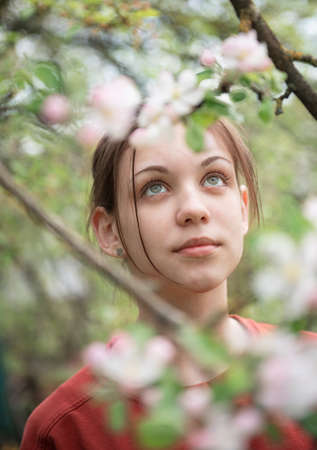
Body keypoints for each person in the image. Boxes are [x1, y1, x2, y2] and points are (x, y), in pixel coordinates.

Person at [20, 115, 316, 449]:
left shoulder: (309, 368)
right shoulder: (66, 428)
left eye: (214, 178)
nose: (194, 209)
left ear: (243, 209)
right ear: (109, 230)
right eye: (154, 187)